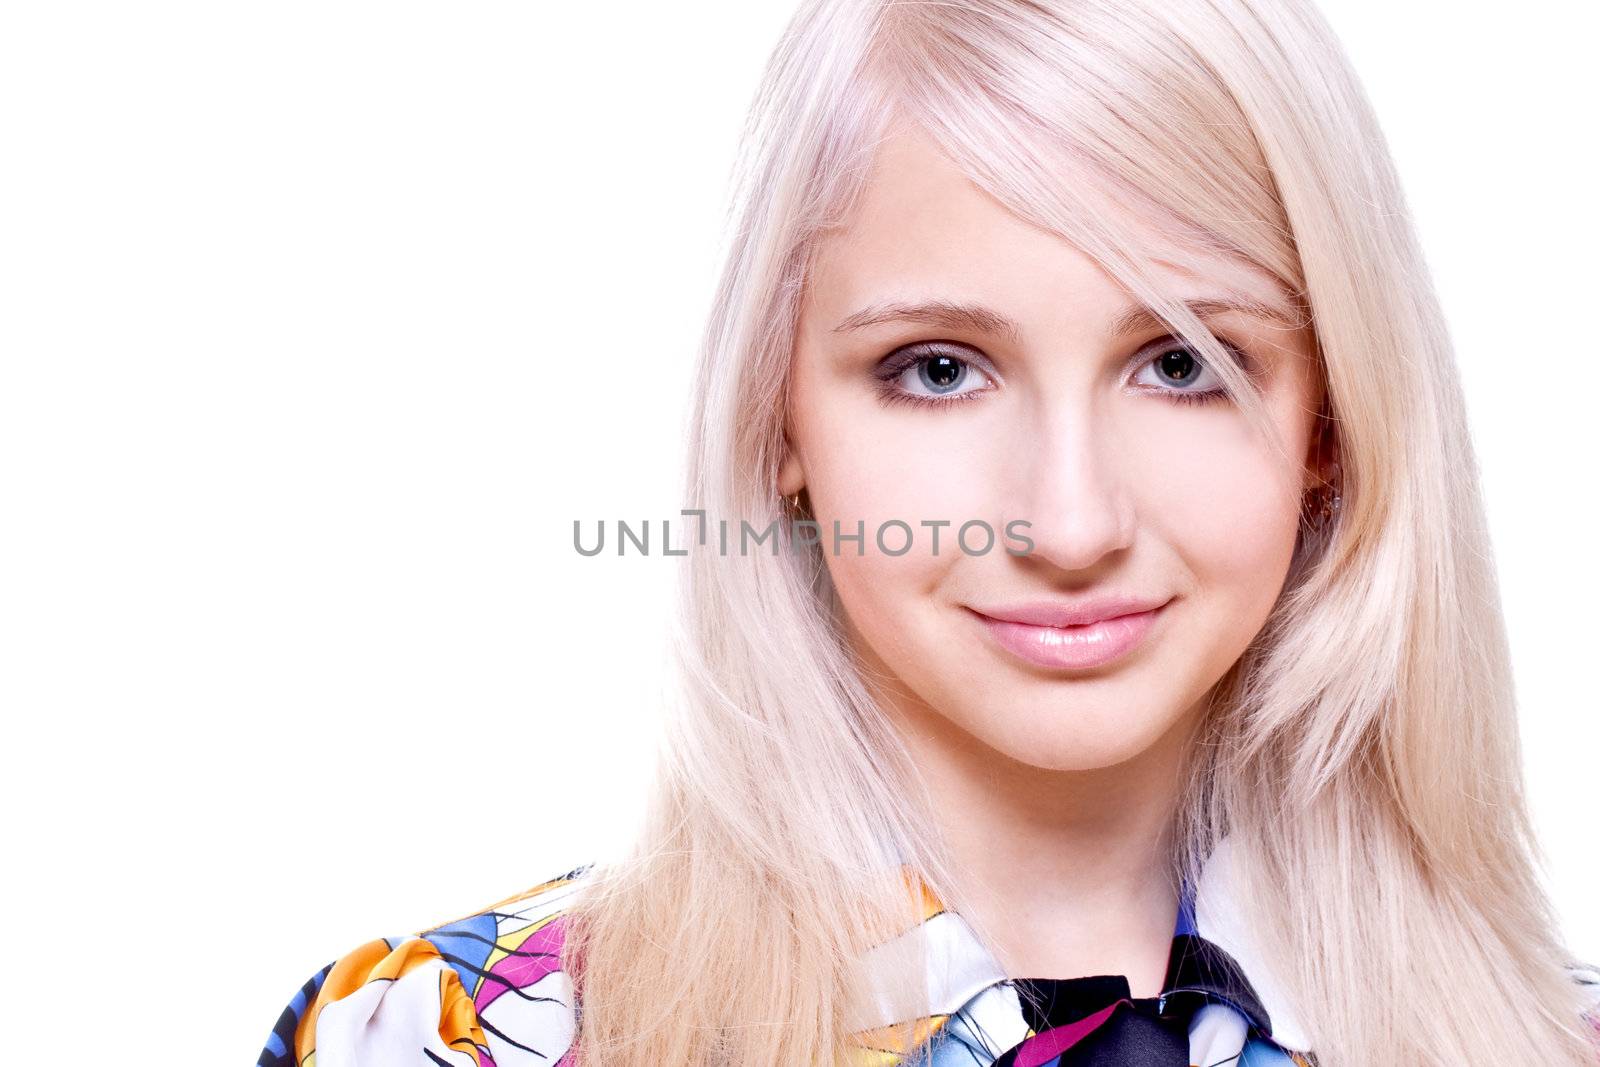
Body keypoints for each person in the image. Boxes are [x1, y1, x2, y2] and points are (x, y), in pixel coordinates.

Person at [256, 0, 1600, 1063]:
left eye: (1184, 362)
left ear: (1331, 418)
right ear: (779, 418)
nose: (1070, 521)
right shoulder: (443, 1041)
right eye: (940, 367)